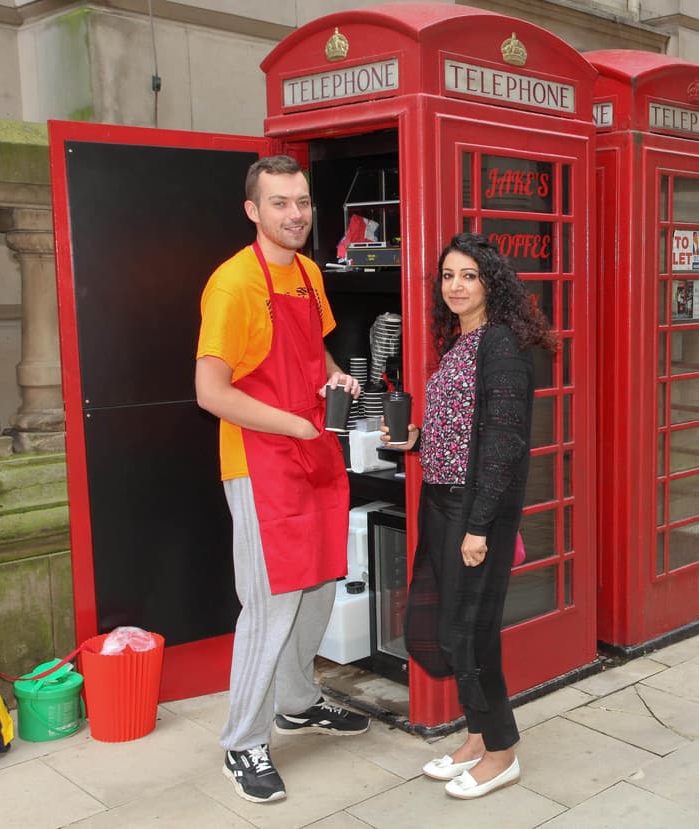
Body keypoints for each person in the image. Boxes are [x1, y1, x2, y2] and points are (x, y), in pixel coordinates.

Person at [195, 155, 369, 804]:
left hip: (312, 452)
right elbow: (209, 390)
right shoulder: (233, 284)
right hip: (261, 462)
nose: (295, 214)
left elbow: (313, 350)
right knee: (269, 605)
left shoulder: (306, 272)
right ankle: (242, 740)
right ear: (253, 210)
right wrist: (291, 425)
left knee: (318, 584)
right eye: (279, 203)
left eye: (301, 201)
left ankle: (297, 700)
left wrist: (335, 378)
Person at [386, 232, 555, 800]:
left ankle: (502, 751)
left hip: (472, 508)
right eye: (448, 276)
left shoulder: (500, 346)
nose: (455, 286)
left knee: (468, 631)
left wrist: (480, 526)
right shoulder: (463, 341)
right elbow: (460, 430)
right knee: (449, 625)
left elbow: (505, 443)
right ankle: (478, 736)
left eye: (469, 276)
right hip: (440, 498)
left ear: (491, 284)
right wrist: (415, 440)